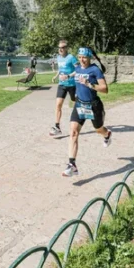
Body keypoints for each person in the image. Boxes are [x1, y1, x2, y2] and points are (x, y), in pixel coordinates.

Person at [62, 47, 112, 177]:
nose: (82, 60)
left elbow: (105, 89)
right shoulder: (78, 67)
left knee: (99, 130)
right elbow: (77, 72)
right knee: (73, 132)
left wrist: (89, 84)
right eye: (79, 57)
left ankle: (107, 135)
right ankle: (72, 165)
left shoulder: (95, 70)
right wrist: (68, 76)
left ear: (89, 57)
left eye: (84, 57)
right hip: (79, 104)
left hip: (94, 106)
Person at [50, 40, 78, 137]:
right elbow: (60, 69)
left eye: (62, 47)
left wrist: (69, 76)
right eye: (59, 48)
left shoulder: (71, 57)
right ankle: (57, 127)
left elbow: (78, 69)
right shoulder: (58, 58)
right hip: (62, 85)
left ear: (66, 48)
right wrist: (55, 76)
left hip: (72, 85)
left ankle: (79, 119)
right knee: (58, 105)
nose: (60, 49)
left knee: (76, 103)